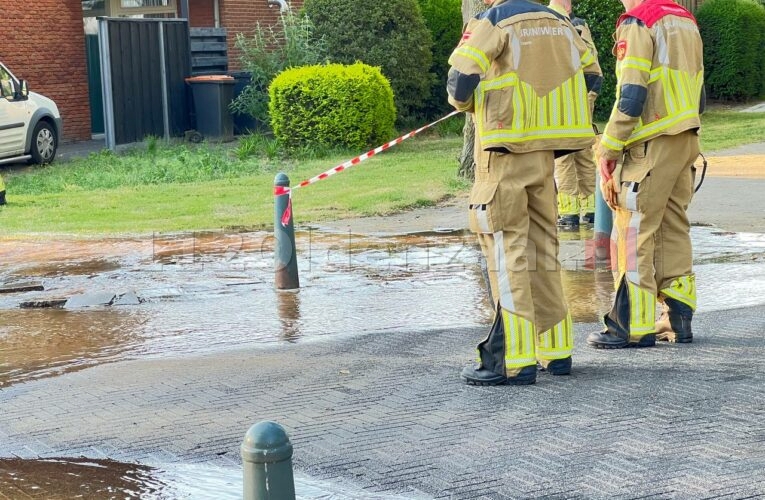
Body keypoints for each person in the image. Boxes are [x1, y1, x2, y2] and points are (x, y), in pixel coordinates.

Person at [447, 0, 602, 385]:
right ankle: (557, 351)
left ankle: (514, 361)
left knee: (508, 249)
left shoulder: (494, 20)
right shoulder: (561, 23)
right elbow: (593, 77)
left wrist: (469, 104)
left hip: (504, 152)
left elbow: (459, 82)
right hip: (546, 153)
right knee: (542, 249)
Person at [587, 0, 704, 349]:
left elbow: (632, 95)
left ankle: (629, 325)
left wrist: (608, 147)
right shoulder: (685, 19)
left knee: (633, 229)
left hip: (651, 141)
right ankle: (677, 319)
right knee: (673, 225)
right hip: (685, 136)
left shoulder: (639, 22)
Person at [548, 0, 602, 229]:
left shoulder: (548, 23)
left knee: (569, 154)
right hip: (574, 96)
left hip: (563, 97)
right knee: (576, 153)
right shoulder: (569, 24)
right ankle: (585, 210)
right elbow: (593, 63)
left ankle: (573, 212)